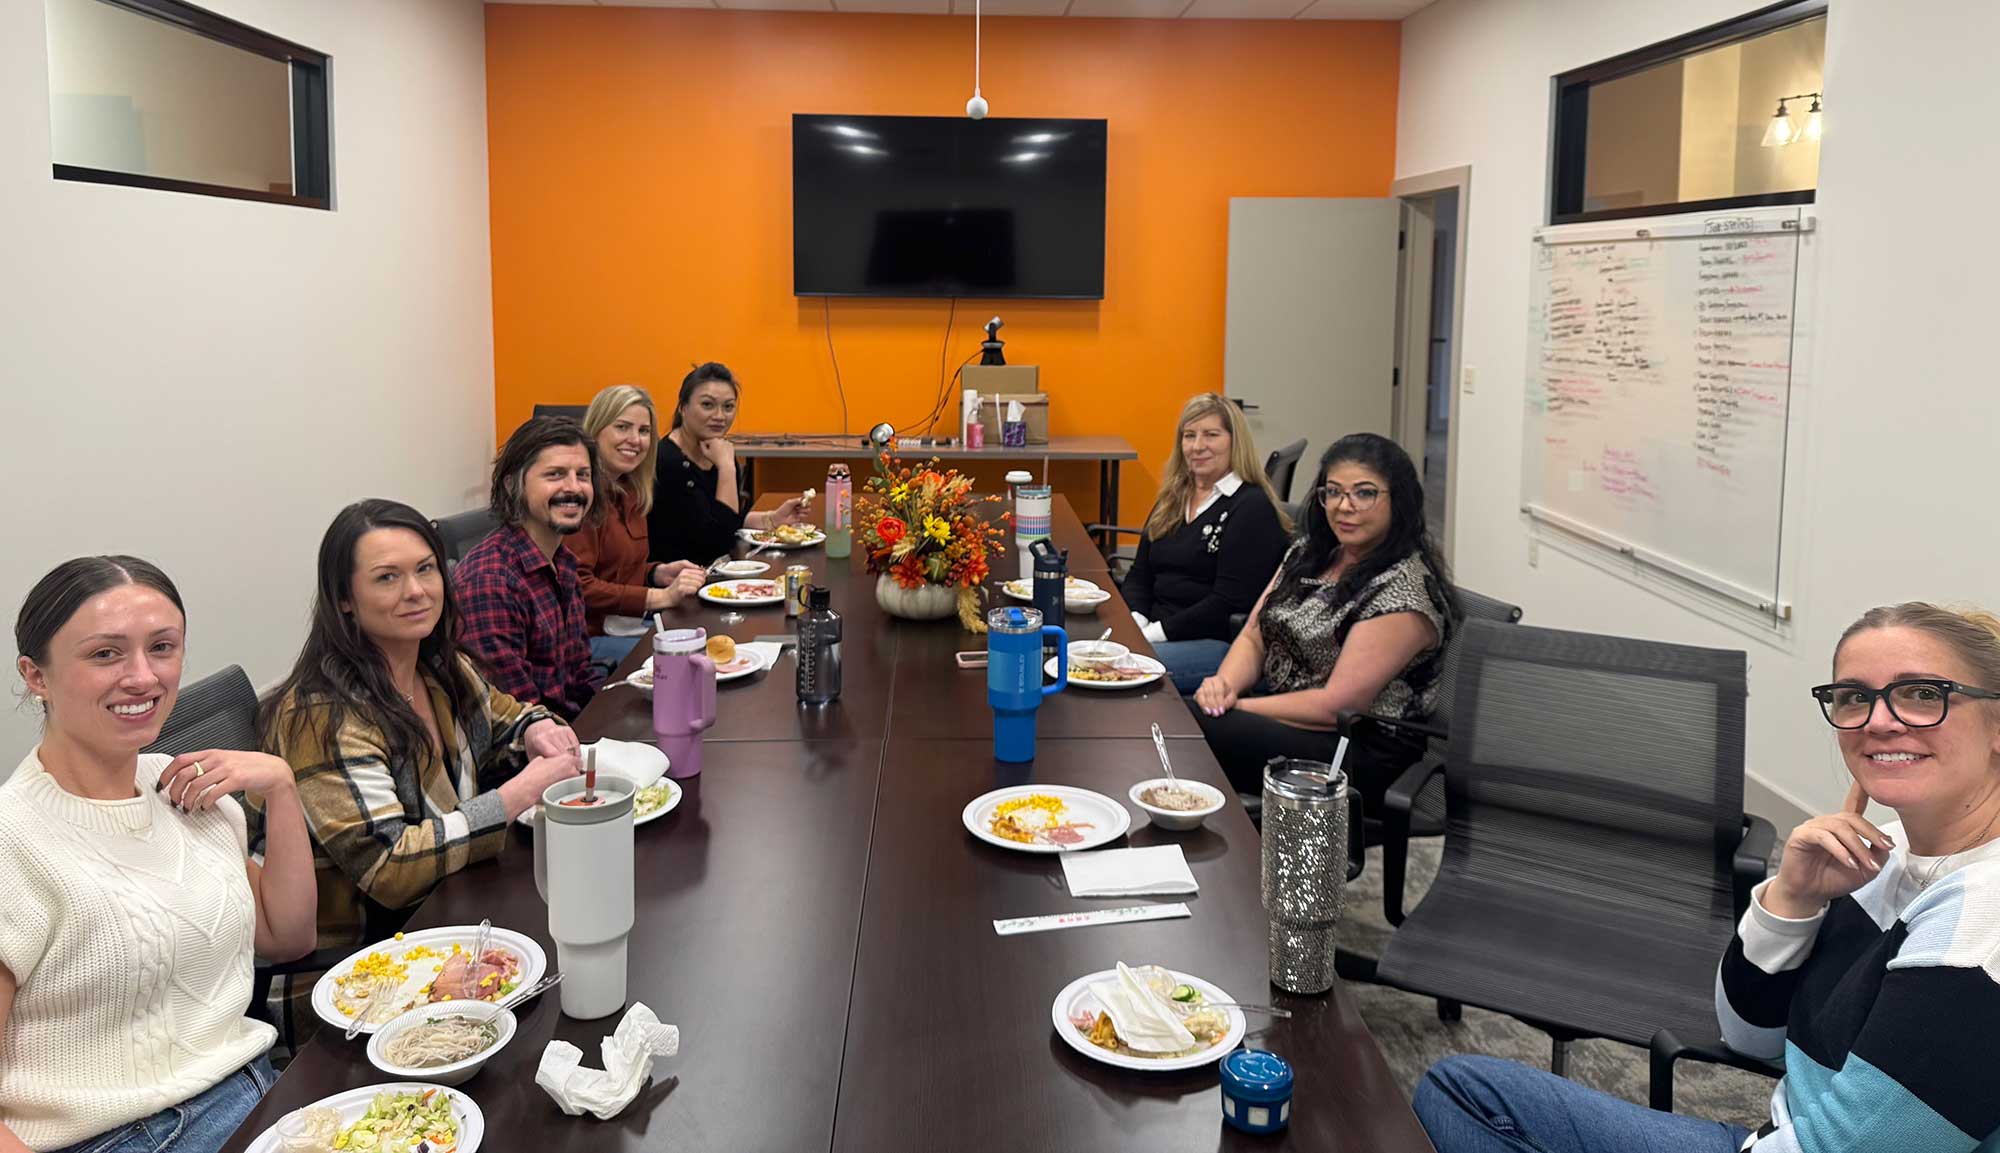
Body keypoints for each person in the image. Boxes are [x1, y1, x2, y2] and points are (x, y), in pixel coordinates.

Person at [1413, 602, 2000, 1153]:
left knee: (1467, 1097)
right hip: (1789, 1133)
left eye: (1925, 694)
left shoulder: (1981, 926)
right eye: (1854, 697)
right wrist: (1792, 898)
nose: (1880, 721)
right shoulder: (1887, 850)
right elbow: (1752, 1036)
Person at [1, 556, 316, 1153]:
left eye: (163, 647)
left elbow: (287, 936)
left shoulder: (187, 786)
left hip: (257, 1096)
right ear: (35, 676)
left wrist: (280, 786)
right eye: (105, 654)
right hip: (118, 1139)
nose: (143, 677)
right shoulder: (12, 842)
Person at [252, 500, 581, 1039]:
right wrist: (518, 794)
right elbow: (390, 868)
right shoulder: (322, 715)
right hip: (352, 985)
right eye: (387, 578)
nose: (416, 591)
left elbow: (509, 716)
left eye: (426, 570)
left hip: (442, 927)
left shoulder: (437, 665)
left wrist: (534, 728)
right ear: (345, 602)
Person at [1192, 433, 1457, 798]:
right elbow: (1255, 632)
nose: (1344, 506)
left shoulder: (1402, 592)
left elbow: (1337, 707)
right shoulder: (1312, 553)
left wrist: (1237, 707)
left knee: (1192, 726)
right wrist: (1222, 686)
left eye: (1364, 493)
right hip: (1290, 717)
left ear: (1399, 501)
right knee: (1192, 719)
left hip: (1354, 750)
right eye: (1333, 492)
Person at [1122, 393, 1290, 694]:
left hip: (1217, 643)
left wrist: (1154, 634)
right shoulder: (1173, 496)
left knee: (1117, 671)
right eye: (1189, 436)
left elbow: (1228, 602)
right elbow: (1140, 573)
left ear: (1233, 441)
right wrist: (1136, 620)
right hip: (1157, 632)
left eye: (1211, 435)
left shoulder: (1251, 507)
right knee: (1081, 653)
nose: (1198, 446)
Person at [454, 416, 602, 720]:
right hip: (529, 753)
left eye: (583, 475)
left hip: (571, 730)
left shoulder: (562, 560)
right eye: (555, 475)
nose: (574, 487)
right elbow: (516, 719)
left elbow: (580, 676)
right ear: (512, 484)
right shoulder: (492, 581)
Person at [570, 385, 706, 676]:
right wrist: (658, 597)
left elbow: (611, 567)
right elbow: (577, 586)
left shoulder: (630, 489)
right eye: (622, 427)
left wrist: (655, 573)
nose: (635, 440)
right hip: (587, 640)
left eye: (644, 431)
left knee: (703, 643)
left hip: (624, 625)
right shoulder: (579, 496)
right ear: (595, 430)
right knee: (686, 666)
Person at [648, 362, 812, 564]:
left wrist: (772, 519)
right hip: (678, 583)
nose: (719, 416)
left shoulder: (717, 451)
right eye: (707, 405)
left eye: (728, 407)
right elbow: (718, 541)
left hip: (712, 574)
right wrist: (726, 468)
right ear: (683, 408)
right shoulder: (667, 461)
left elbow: (725, 517)